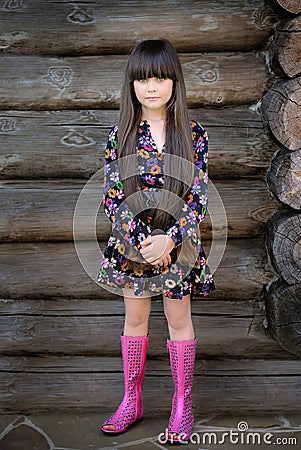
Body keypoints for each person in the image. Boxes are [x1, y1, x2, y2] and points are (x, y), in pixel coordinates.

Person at [98, 38, 215, 444]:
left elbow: (199, 197)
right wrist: (144, 240)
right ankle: (132, 400)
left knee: (179, 321)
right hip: (133, 245)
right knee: (135, 320)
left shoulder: (194, 134)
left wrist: (171, 240)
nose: (152, 87)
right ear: (132, 85)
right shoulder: (121, 134)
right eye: (143, 79)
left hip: (178, 248)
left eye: (161, 79)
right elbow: (114, 198)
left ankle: (182, 406)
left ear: (174, 83)